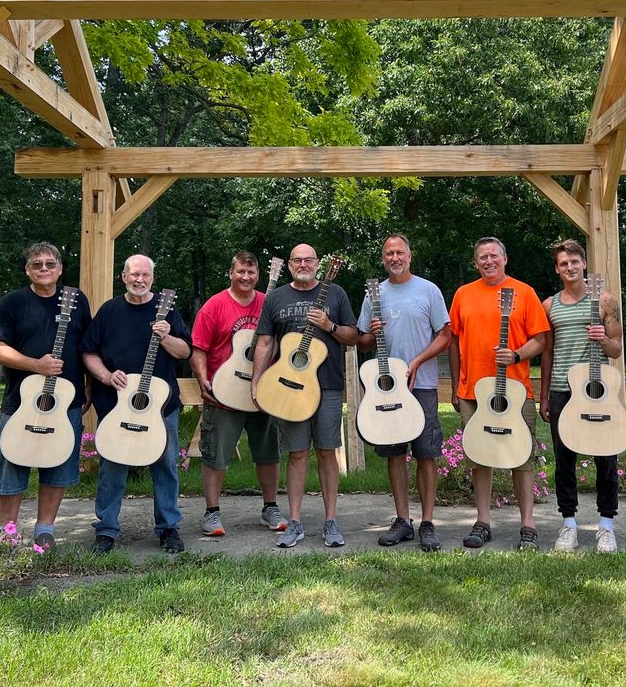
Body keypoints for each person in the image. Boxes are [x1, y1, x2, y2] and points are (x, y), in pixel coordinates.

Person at [81, 254, 192, 555]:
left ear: (152, 279)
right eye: (134, 275)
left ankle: (168, 528)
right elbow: (88, 352)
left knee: (166, 465)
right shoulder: (109, 311)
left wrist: (167, 337)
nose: (140, 280)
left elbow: (184, 352)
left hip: (160, 407)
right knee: (112, 465)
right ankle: (106, 530)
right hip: (117, 406)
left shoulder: (166, 310)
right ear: (124, 277)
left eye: (145, 275)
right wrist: (105, 375)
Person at [250, 243, 358, 548]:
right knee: (296, 453)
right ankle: (294, 522)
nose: (303, 264)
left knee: (327, 451)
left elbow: (353, 336)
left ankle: (331, 521)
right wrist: (256, 381)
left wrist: (329, 324)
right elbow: (265, 342)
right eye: (297, 260)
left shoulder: (335, 293)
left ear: (319, 263)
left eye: (308, 259)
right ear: (290, 265)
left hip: (328, 386)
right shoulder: (276, 297)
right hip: (288, 386)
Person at [0, 241, 91, 551]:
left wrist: (91, 387)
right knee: (13, 464)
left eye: (49, 264)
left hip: (66, 402)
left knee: (58, 465)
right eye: (37, 264)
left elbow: (88, 346)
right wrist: (36, 366)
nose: (44, 269)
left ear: (60, 268)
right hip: (20, 402)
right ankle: (7, 531)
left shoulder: (77, 300)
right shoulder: (13, 303)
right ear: (27, 270)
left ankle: (45, 529)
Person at [448, 236, 550, 551]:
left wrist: (517, 355)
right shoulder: (464, 294)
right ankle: (482, 522)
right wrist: (455, 386)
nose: (488, 261)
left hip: (515, 391)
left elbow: (541, 340)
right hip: (473, 392)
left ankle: (528, 526)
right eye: (482, 257)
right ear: (476, 263)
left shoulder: (525, 292)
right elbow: (453, 340)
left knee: (521, 457)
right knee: (480, 457)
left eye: (494, 255)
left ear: (505, 258)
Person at [356, 234, 452, 552]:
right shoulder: (376, 293)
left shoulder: (428, 290)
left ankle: (426, 522)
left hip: (420, 385)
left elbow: (446, 336)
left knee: (426, 454)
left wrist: (418, 361)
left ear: (409, 255)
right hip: (385, 391)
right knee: (395, 455)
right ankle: (402, 520)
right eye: (388, 253)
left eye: (399, 252)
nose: (394, 257)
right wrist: (373, 332)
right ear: (383, 259)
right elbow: (364, 341)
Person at [189, 251, 287, 537]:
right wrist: (202, 379)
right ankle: (212, 513)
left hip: (263, 393)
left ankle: (270, 507)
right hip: (225, 393)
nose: (245, 277)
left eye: (251, 272)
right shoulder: (214, 306)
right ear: (231, 273)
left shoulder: (269, 304)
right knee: (215, 455)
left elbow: (285, 344)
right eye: (240, 272)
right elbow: (198, 350)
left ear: (259, 275)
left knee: (269, 453)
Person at [539, 239, 624, 553]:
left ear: (584, 264)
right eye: (563, 263)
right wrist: (545, 395)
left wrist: (603, 338)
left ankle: (606, 525)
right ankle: (569, 524)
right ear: (557, 269)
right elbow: (546, 352)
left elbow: (616, 348)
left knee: (606, 457)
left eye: (574, 262)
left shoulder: (605, 301)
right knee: (564, 461)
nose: (570, 267)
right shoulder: (549, 305)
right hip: (562, 389)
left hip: (598, 390)